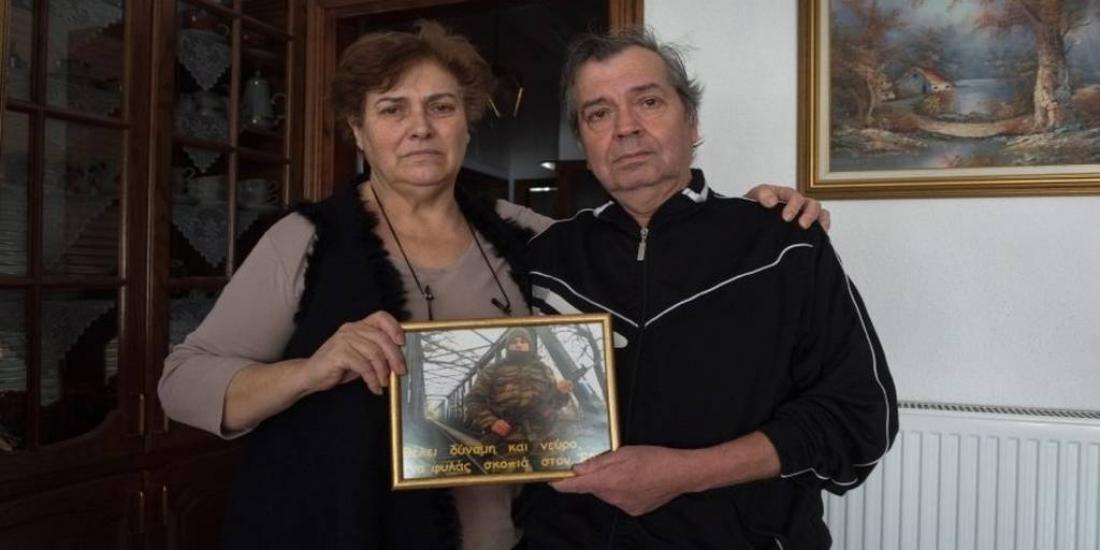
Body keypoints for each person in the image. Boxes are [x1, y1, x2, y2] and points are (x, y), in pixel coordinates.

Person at [157, 22, 830, 550]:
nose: (420, 127)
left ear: (466, 122)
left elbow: (640, 244)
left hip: (512, 536)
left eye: (441, 106)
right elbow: (181, 382)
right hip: (347, 529)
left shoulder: (528, 234)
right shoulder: (305, 240)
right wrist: (310, 370)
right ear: (359, 131)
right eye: (392, 109)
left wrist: (749, 216)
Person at [514, 28, 899, 549]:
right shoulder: (543, 258)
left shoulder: (784, 246)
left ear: (691, 121)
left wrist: (686, 473)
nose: (626, 128)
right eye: (598, 113)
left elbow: (859, 418)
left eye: (648, 102)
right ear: (582, 143)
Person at [465, 328, 574, 471]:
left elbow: (555, 404)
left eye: (523, 341)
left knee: (560, 477)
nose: (518, 344)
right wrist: (491, 422)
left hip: (545, 437)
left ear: (530, 345)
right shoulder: (493, 370)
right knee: (508, 481)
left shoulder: (544, 370)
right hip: (508, 439)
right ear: (507, 346)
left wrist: (562, 394)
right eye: (514, 342)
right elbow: (473, 399)